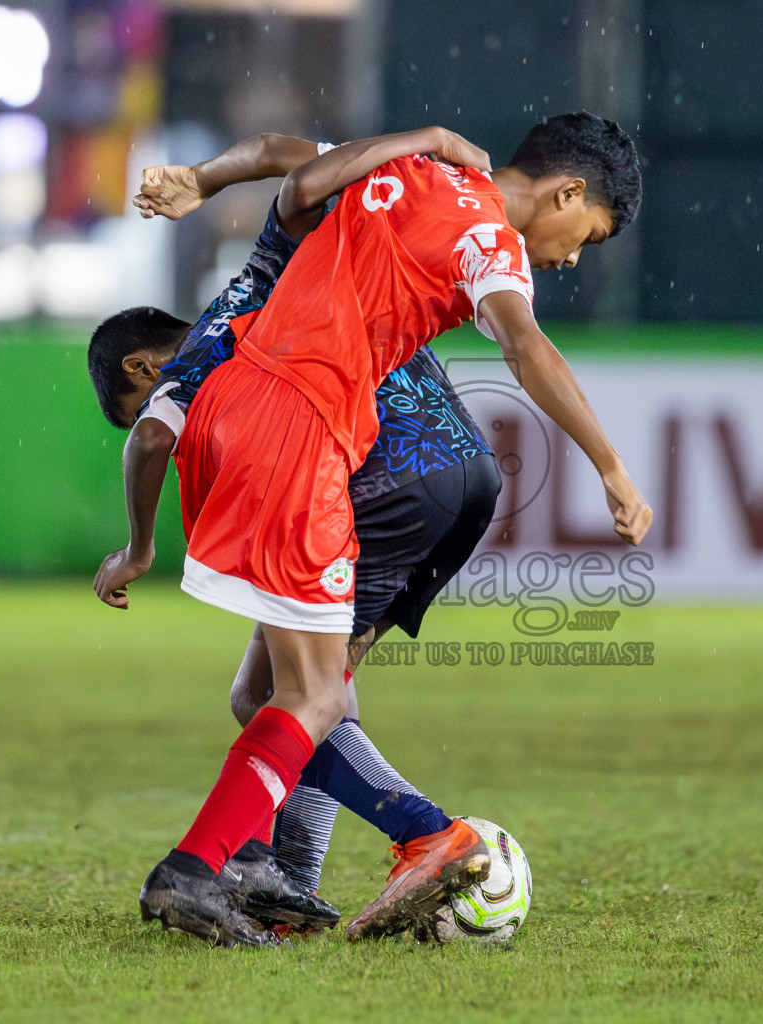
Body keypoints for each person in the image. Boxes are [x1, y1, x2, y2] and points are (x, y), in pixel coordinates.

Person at [104, 111, 651, 947]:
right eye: (589, 233)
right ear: (566, 191)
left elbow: (292, 175)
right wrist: (610, 464)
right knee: (315, 694)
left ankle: (252, 865)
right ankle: (405, 839)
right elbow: (524, 345)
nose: (573, 254)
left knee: (279, 693)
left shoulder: (408, 173)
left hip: (239, 410)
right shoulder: (491, 245)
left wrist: (208, 177)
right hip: (311, 434)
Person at [87, 127, 503, 935]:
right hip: (463, 475)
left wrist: (138, 548)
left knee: (296, 696)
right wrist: (206, 179)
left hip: (378, 484)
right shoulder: (286, 257)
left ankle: (423, 837)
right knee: (296, 693)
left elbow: (150, 438)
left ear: (141, 371)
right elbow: (291, 152)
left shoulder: (211, 344)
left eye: (130, 400)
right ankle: (278, 878)